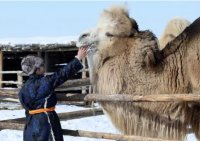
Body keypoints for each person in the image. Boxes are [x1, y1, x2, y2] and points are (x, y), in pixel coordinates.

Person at [18, 47, 88, 141]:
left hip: (30, 124)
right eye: (42, 65)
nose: (44, 66)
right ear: (37, 70)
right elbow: (62, 74)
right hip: (45, 122)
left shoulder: (23, 88)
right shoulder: (45, 82)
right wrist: (78, 58)